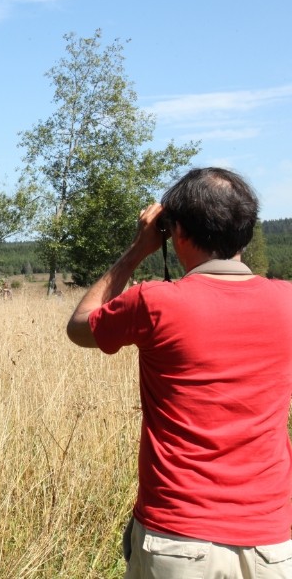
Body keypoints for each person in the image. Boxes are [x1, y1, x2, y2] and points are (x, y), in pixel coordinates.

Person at [66, 167, 292, 578]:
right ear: (246, 230)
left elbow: (80, 326)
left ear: (178, 232)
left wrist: (138, 249)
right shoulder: (288, 302)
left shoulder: (154, 302)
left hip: (177, 535)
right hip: (269, 542)